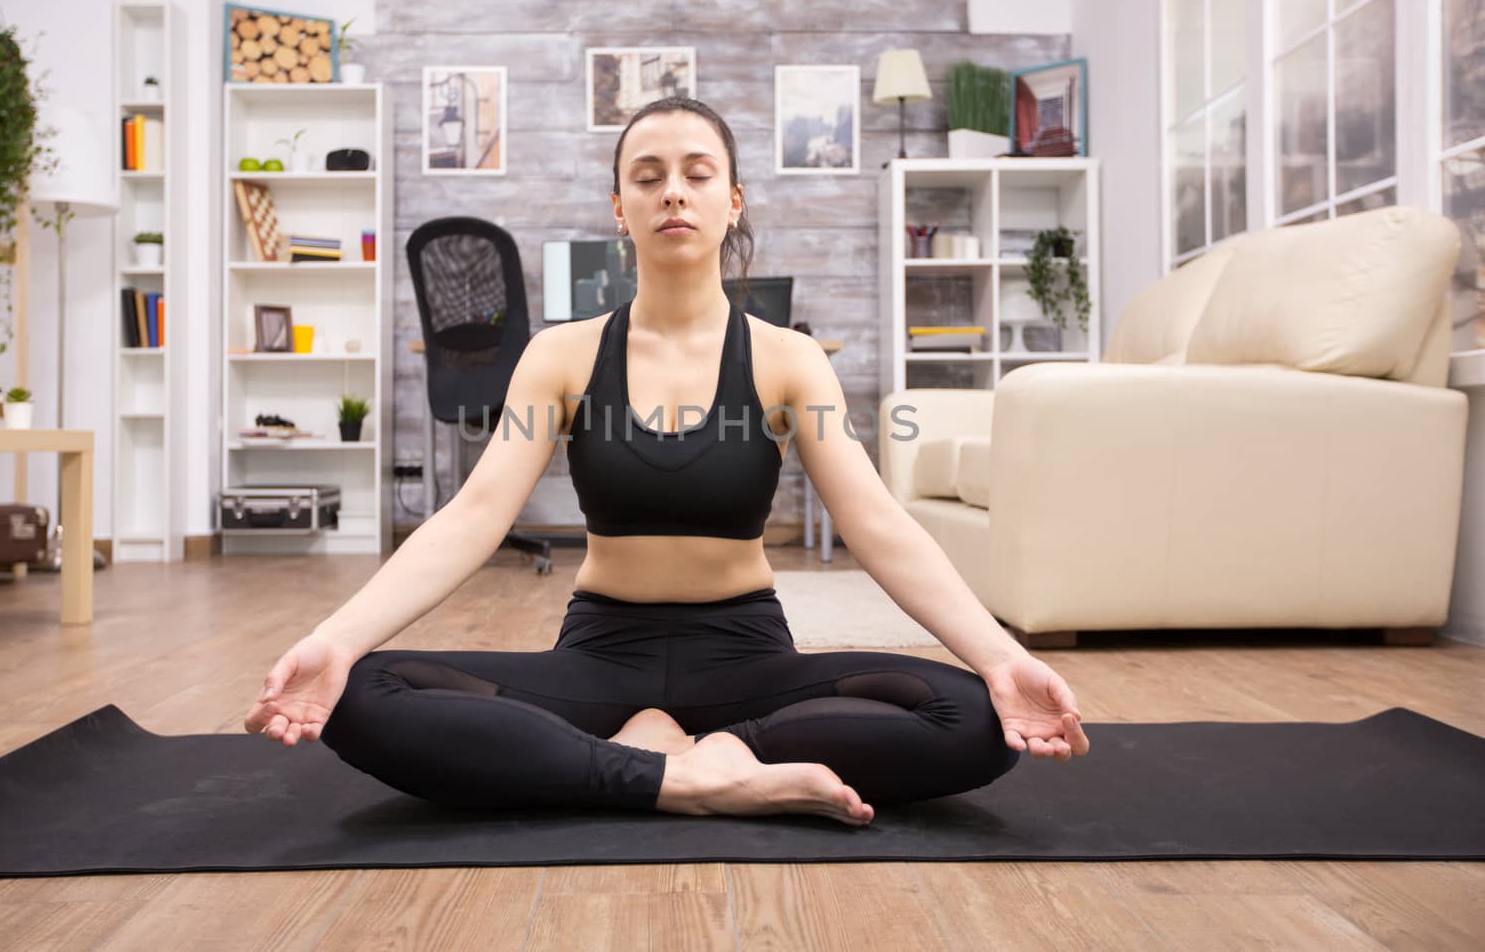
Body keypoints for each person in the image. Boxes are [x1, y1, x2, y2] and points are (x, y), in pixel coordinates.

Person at [243, 96, 1089, 826]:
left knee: (977, 717)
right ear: (620, 207)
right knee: (355, 693)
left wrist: (1000, 657)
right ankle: (685, 778)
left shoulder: (789, 360)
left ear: (733, 200)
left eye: (696, 172)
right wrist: (333, 639)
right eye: (647, 176)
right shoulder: (561, 357)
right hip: (599, 654)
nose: (672, 190)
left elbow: (876, 525)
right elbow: (471, 517)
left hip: (749, 659)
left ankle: (707, 753)